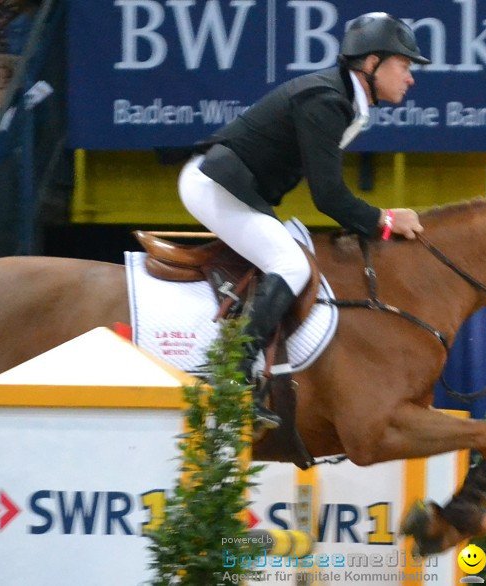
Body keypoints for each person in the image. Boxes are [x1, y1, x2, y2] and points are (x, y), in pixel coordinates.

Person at [177, 12, 428, 429]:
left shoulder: (342, 99)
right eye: (403, 65)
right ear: (370, 64)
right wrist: (385, 221)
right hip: (213, 186)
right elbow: (328, 196)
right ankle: (234, 378)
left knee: (294, 252)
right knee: (291, 264)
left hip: (238, 189)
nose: (410, 78)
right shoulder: (326, 101)